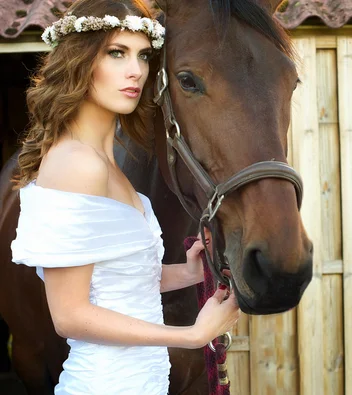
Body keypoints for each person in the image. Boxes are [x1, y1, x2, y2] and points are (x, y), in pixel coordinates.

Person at [9, 0, 240, 394]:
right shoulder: (76, 164)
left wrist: (186, 272)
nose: (136, 70)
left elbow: (113, 286)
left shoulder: (107, 161)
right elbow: (69, 316)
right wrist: (191, 335)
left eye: (144, 56)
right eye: (116, 53)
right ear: (80, 61)